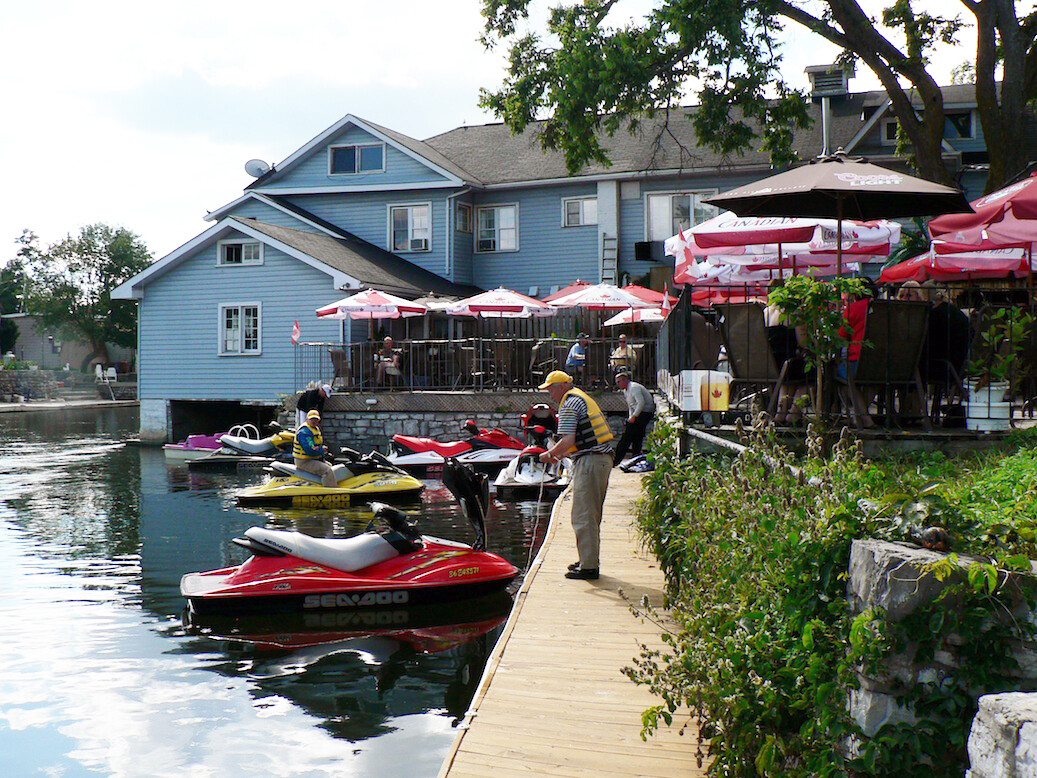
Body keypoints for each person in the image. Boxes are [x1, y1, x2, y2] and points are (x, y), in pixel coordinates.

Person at [537, 370, 614, 580]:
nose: (550, 395)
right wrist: (559, 454)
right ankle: (587, 559)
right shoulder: (580, 398)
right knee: (590, 513)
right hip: (599, 459)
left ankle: (589, 567)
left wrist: (549, 455)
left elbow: (568, 440)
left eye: (551, 389)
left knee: (583, 514)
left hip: (590, 461)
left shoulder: (569, 405)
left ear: (562, 386)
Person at [613, 372, 655, 465]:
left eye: (619, 382)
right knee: (637, 436)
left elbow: (641, 403)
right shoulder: (626, 390)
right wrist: (630, 417)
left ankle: (616, 460)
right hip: (638, 413)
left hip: (645, 412)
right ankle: (635, 457)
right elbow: (630, 405)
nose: (617, 384)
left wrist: (634, 416)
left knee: (627, 436)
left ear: (625, 380)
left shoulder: (634, 387)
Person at [293, 409, 338, 487]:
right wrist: (321, 450)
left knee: (331, 467)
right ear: (307, 419)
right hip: (304, 461)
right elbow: (310, 450)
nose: (314, 421)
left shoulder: (314, 429)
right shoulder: (304, 432)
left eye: (316, 419)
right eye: (312, 419)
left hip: (312, 459)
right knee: (327, 470)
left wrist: (321, 450)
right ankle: (330, 490)